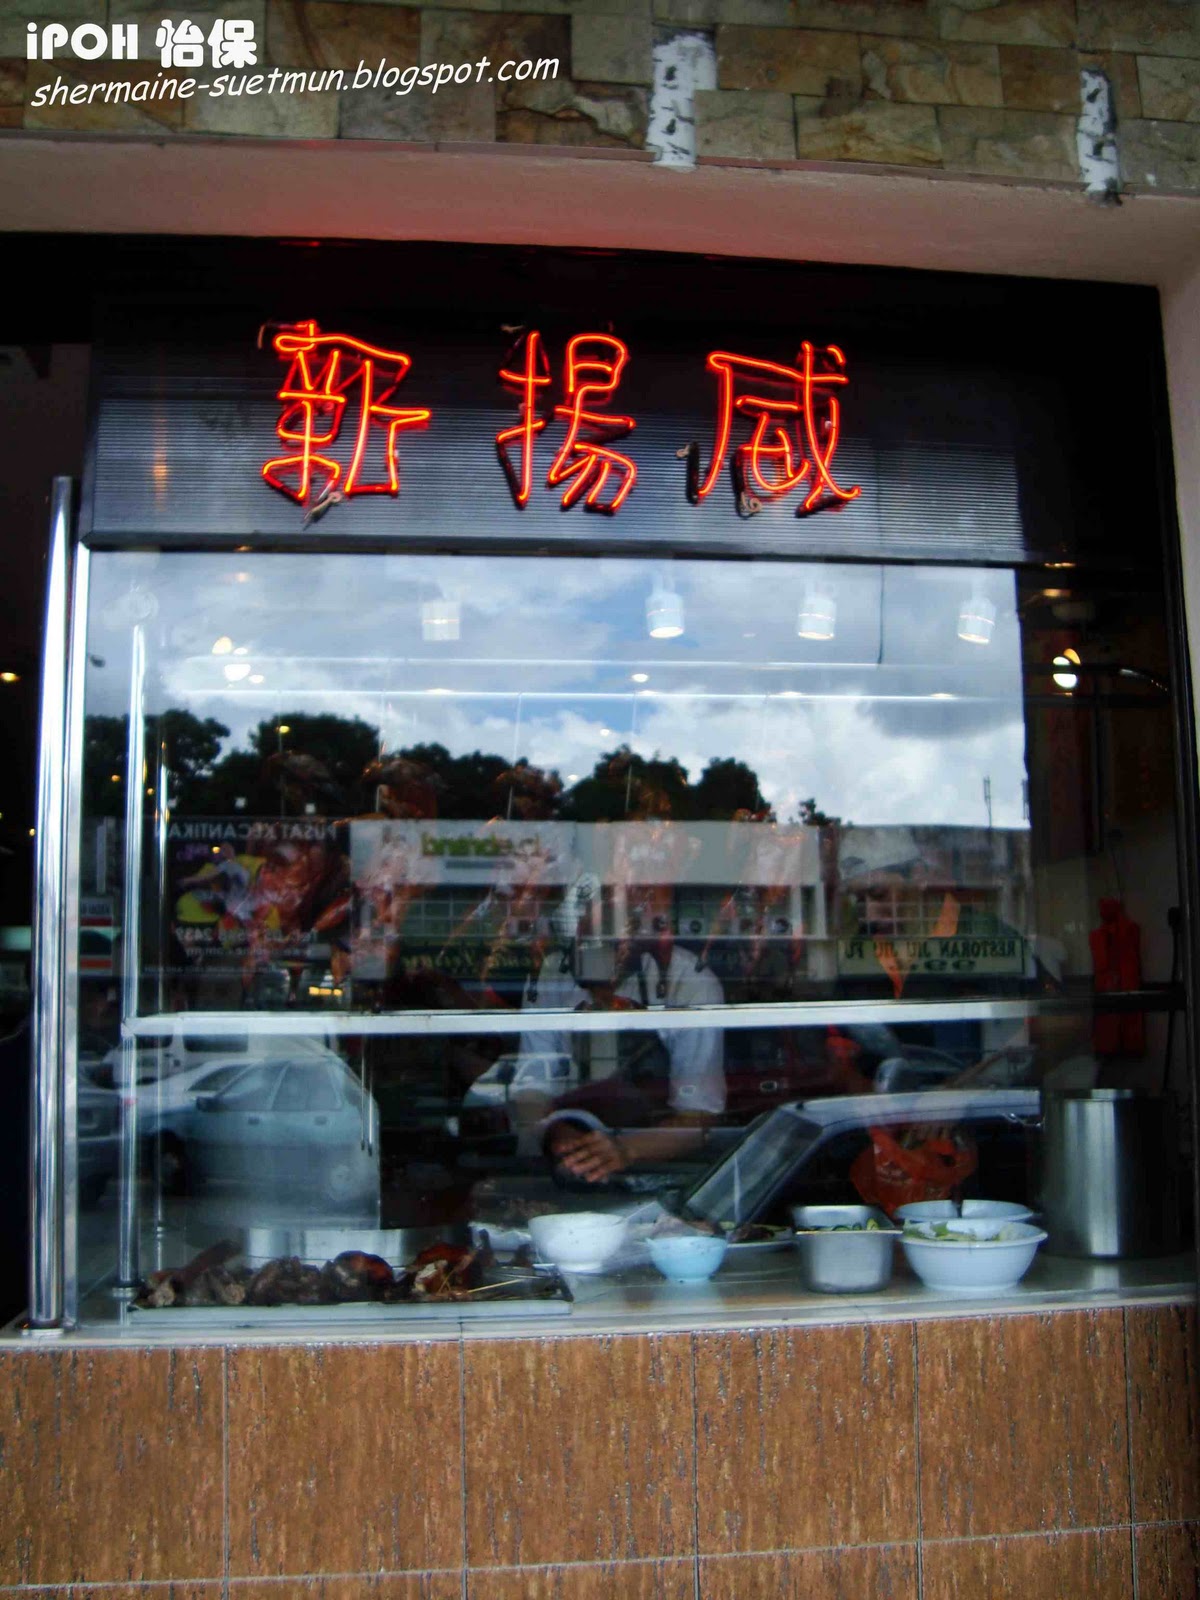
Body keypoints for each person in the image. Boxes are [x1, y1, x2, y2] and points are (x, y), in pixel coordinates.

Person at [543, 893, 727, 1183]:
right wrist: (559, 1131)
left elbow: (701, 1116)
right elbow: (531, 1088)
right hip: (568, 1166)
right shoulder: (553, 975)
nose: (599, 996)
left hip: (664, 1168)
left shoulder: (690, 982)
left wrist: (627, 1150)